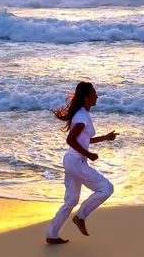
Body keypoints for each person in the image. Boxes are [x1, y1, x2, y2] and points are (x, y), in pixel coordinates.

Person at [46, 81, 119, 244]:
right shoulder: (82, 116)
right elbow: (71, 140)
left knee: (70, 201)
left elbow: (83, 140)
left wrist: (105, 138)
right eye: (94, 93)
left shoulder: (81, 113)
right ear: (86, 96)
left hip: (71, 160)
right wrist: (89, 154)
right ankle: (80, 217)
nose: (97, 97)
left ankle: (51, 234)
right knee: (106, 188)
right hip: (76, 161)